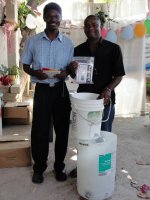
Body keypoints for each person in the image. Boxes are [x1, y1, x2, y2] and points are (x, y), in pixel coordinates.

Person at [21, 2, 74, 183]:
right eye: (49, 16)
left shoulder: (68, 43)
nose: (53, 19)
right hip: (42, 91)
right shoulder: (33, 41)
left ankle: (59, 167)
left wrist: (65, 73)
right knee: (40, 131)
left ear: (60, 19)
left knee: (63, 130)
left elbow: (70, 68)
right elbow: (26, 65)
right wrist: (37, 73)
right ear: (44, 18)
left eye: (56, 16)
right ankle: (39, 168)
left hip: (61, 91)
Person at [68, 15, 125, 177]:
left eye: (94, 25)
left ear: (101, 26)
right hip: (83, 102)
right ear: (84, 28)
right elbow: (75, 77)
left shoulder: (113, 49)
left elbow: (119, 75)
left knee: (103, 136)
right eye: (87, 25)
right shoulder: (77, 50)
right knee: (83, 137)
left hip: (104, 101)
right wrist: (72, 69)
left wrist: (108, 89)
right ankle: (83, 167)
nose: (90, 28)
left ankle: (102, 171)